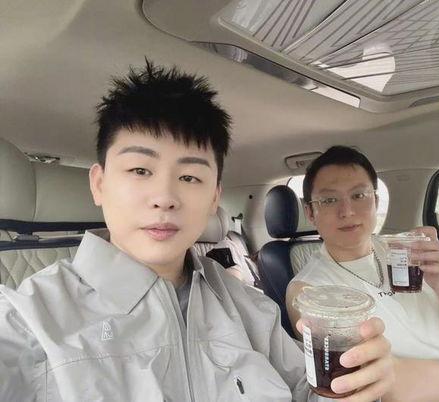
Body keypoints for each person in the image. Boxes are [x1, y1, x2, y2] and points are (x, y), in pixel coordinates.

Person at [0, 62, 394, 401]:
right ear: (100, 184)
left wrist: (354, 386)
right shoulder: (26, 321)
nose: (165, 198)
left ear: (213, 198)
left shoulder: (251, 310)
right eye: (140, 170)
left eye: (189, 177)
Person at [286, 145, 439, 402]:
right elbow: (371, 381)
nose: (347, 211)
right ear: (310, 212)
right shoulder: (308, 291)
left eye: (359, 195)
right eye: (329, 200)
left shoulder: (406, 251)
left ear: (375, 202)